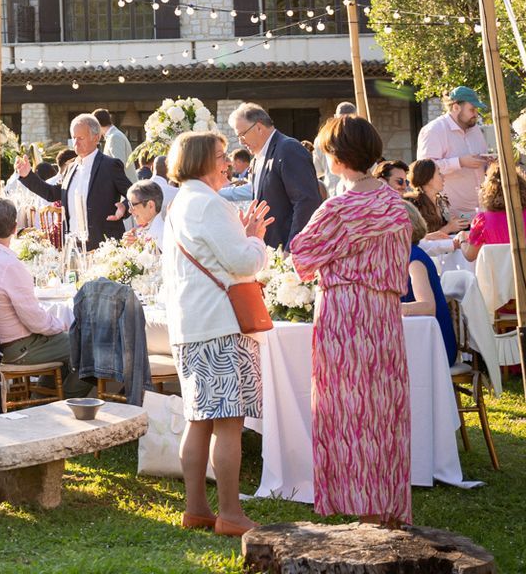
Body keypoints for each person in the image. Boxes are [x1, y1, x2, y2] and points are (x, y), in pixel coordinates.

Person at [290, 114, 413, 525]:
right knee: (383, 410)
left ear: (339, 158)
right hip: (384, 315)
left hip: (345, 313)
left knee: (345, 410)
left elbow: (303, 256)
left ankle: (356, 501)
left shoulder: (339, 208)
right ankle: (385, 504)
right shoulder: (396, 204)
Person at [160, 130, 270, 538]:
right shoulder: (208, 203)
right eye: (221, 156)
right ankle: (230, 512)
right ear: (202, 160)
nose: (227, 162)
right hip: (221, 326)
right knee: (227, 422)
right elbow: (243, 263)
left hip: (192, 325)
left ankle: (197, 508)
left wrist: (240, 233)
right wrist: (255, 238)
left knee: (199, 418)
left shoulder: (181, 202)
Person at [0, 198, 72, 366]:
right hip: (9, 349)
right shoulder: (9, 265)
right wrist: (62, 325)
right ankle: (65, 393)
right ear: (15, 229)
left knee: (68, 346)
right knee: (83, 346)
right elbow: (36, 322)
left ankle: (46, 393)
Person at [14, 113, 128, 251]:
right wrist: (27, 175)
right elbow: (52, 193)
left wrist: (125, 207)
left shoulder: (110, 165)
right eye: (74, 138)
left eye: (81, 138)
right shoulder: (71, 168)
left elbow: (134, 193)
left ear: (96, 138)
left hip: (104, 245)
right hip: (74, 244)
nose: (76, 143)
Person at [230, 103, 321, 249]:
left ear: (258, 127)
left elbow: (306, 202)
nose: (241, 141)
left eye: (242, 134)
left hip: (288, 248)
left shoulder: (288, 149)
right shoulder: (257, 159)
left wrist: (292, 248)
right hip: (269, 249)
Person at [417, 87, 494, 221]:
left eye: (476, 110)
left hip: (481, 210)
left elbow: (481, 161)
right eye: (472, 109)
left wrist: (489, 163)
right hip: (450, 216)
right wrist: (460, 162)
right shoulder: (434, 130)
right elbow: (423, 171)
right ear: (456, 107)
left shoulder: (474, 129)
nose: (476, 114)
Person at [399, 203, 456, 366]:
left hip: (435, 346)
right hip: (421, 338)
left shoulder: (413, 259)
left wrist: (393, 308)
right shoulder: (405, 254)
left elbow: (427, 306)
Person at [461, 162, 526, 262]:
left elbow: (470, 255)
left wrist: (461, 240)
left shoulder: (482, 220)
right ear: (522, 188)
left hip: (497, 276)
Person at [407, 159, 464, 238]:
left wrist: (461, 222)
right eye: (439, 173)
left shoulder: (441, 201)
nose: (443, 177)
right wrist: (448, 228)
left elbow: (449, 224)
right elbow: (415, 239)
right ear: (428, 178)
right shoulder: (413, 204)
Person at [126, 181, 166, 246]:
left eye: (132, 205)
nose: (130, 210)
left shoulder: (162, 234)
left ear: (150, 205)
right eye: (129, 204)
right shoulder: (140, 231)